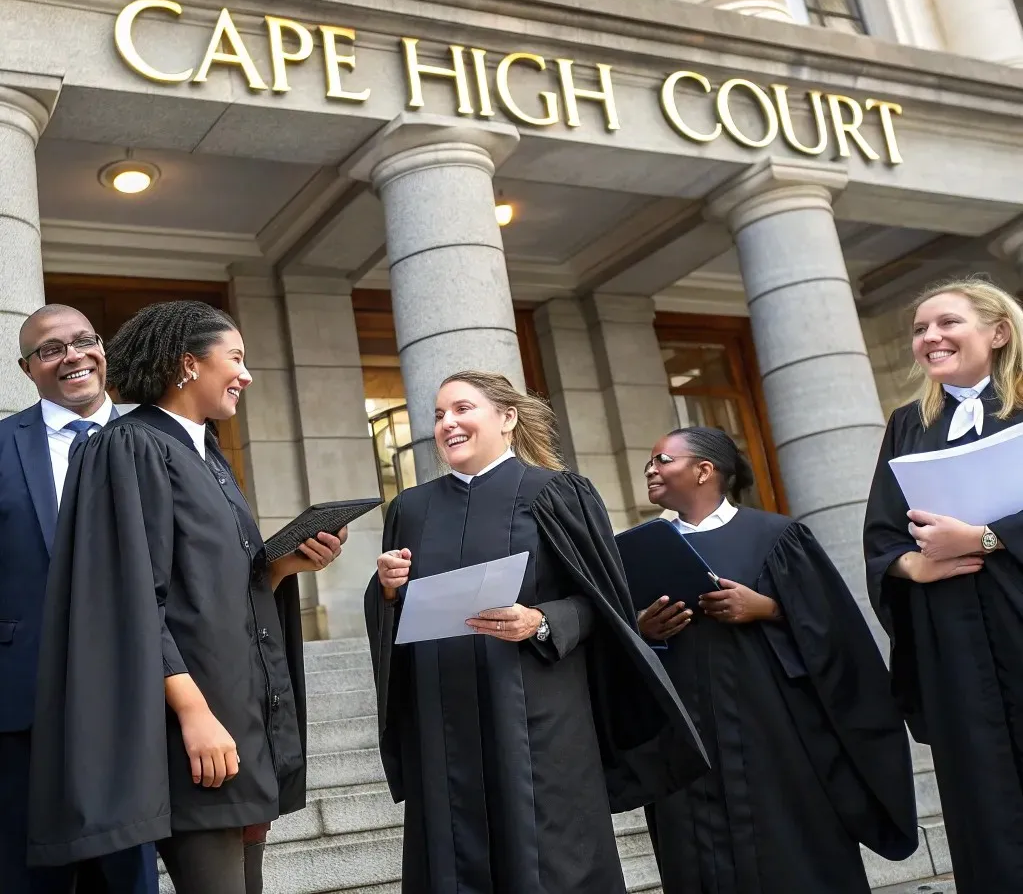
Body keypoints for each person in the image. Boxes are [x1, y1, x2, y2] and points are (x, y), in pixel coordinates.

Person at [27, 300, 345, 894]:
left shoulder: (210, 456)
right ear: (189, 365)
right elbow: (132, 598)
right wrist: (194, 713)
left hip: (239, 714)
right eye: (236, 358)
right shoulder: (131, 445)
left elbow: (210, 588)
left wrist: (279, 570)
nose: (246, 374)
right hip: (193, 726)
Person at [365, 370, 708, 894]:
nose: (447, 424)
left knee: (552, 860)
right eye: (438, 415)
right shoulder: (411, 508)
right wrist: (387, 589)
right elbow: (396, 617)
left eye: (462, 409)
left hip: (538, 715)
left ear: (507, 418)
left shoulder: (555, 492)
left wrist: (541, 620)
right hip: (443, 722)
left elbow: (606, 606)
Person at [640, 426, 917, 894]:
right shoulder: (642, 547)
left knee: (792, 852)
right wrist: (643, 629)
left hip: (774, 735)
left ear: (704, 471)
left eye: (662, 460)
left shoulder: (775, 536)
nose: (650, 468)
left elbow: (835, 633)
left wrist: (767, 607)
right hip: (685, 740)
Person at [864, 277, 1023, 894]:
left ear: (998, 331)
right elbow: (882, 534)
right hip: (953, 643)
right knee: (981, 793)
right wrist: (914, 566)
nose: (930, 337)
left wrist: (985, 538)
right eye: (920, 329)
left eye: (947, 323)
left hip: (1015, 615)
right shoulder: (907, 424)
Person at [0, 304, 158, 894]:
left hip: (138, 694)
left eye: (84, 340)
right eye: (50, 349)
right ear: (27, 369)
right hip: (23, 698)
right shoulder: (1, 444)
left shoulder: (156, 438)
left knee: (129, 875)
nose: (72, 355)